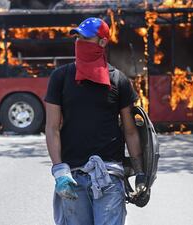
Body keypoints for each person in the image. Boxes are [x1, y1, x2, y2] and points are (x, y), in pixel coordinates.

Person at [45, 17, 146, 225]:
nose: (79, 42)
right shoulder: (60, 77)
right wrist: (60, 172)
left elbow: (130, 131)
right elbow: (52, 128)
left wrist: (141, 173)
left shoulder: (119, 81)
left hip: (109, 175)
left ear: (102, 42)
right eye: (77, 38)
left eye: (85, 38)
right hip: (72, 177)